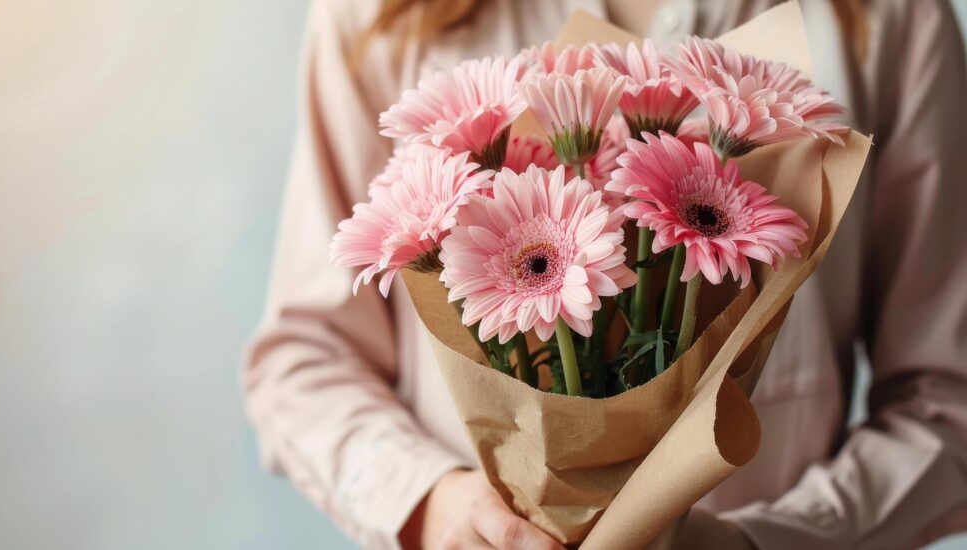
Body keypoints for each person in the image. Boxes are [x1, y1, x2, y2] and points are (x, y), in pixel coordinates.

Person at [243, 0, 967, 548]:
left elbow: (950, 403)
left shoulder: (886, 20)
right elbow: (305, 360)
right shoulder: (383, 18)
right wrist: (431, 503)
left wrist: (770, 541)